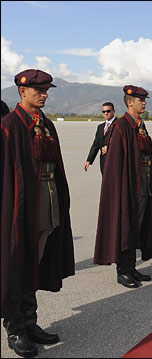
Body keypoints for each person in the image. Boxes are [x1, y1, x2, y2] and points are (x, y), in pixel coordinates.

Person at [1, 69, 75, 357]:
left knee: (34, 261)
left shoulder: (44, 124)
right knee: (17, 263)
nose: (44, 94)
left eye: (46, 90)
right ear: (22, 91)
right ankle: (15, 327)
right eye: (39, 90)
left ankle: (30, 321)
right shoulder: (10, 125)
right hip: (21, 206)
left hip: (46, 202)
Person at [94, 85, 152, 289]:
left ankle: (131, 267)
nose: (144, 102)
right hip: (130, 188)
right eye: (140, 100)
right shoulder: (122, 126)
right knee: (126, 228)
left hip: (143, 185)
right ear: (129, 102)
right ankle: (122, 270)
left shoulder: (139, 124)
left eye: (144, 99)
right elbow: (115, 162)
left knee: (137, 227)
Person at [84, 102, 116, 174]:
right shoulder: (100, 127)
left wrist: (110, 148)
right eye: (103, 111)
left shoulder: (119, 125)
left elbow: (123, 143)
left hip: (116, 163)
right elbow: (96, 145)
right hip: (104, 163)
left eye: (108, 111)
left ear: (113, 111)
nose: (106, 113)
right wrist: (89, 160)